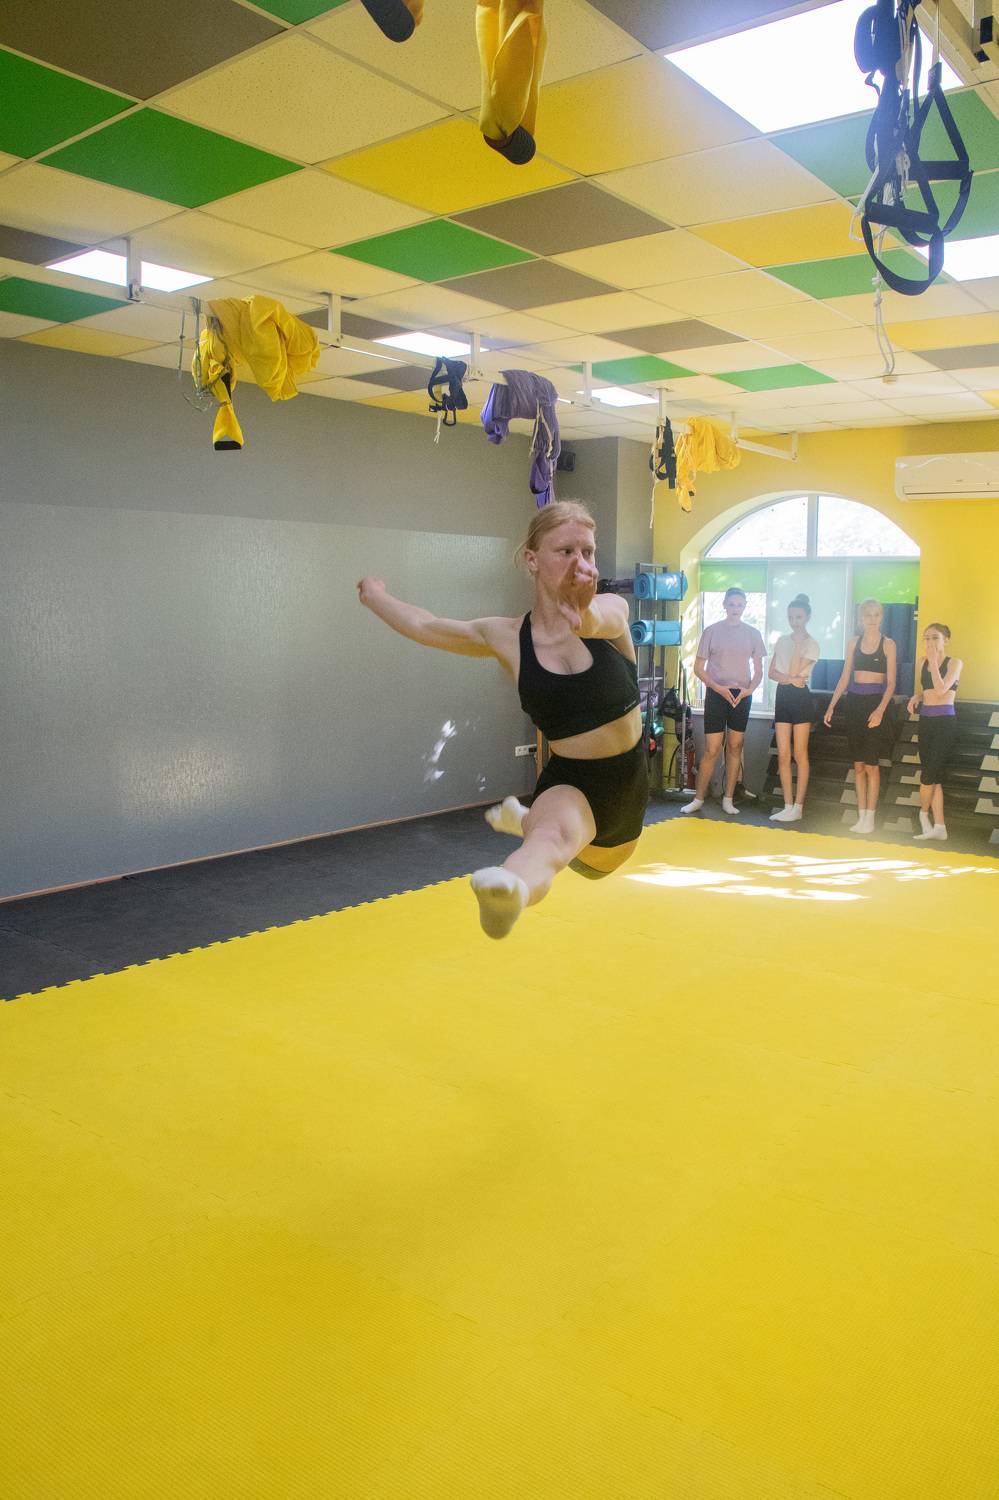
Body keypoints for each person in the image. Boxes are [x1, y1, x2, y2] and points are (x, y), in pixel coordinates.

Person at [356, 500, 647, 940]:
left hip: (628, 795)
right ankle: (508, 892)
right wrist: (376, 597)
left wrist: (582, 610)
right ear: (532, 559)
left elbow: (595, 620)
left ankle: (520, 818)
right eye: (565, 551)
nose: (579, 562)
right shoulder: (507, 637)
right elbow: (428, 626)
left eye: (587, 551)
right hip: (573, 786)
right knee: (549, 841)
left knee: (554, 834)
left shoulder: (611, 611)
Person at [683, 587, 765, 816]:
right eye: (731, 604)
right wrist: (717, 687)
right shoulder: (711, 631)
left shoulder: (753, 633)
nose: (735, 609)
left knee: (735, 746)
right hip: (717, 693)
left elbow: (759, 671)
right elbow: (698, 668)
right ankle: (698, 799)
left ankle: (728, 798)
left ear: (745, 606)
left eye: (739, 605)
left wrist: (749, 690)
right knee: (712, 748)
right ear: (724, 605)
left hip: (741, 695)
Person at [823, 598, 897, 833]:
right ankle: (861, 815)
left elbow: (891, 683)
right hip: (854, 703)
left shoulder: (888, 644)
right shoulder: (853, 642)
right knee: (858, 765)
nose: (872, 619)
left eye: (876, 615)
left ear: (881, 617)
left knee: (872, 765)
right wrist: (832, 705)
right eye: (867, 615)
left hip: (875, 705)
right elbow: (845, 677)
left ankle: (871, 818)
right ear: (860, 619)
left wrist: (880, 710)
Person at [907, 622, 962, 842]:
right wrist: (917, 696)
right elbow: (928, 690)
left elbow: (941, 689)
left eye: (935, 637)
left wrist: (933, 660)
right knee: (934, 775)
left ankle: (923, 816)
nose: (930, 642)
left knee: (928, 775)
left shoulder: (954, 663)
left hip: (944, 723)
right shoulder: (921, 662)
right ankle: (939, 826)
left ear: (946, 640)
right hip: (926, 721)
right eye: (927, 638)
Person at [768, 593, 820, 823]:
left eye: (798, 617)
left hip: (800, 698)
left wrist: (798, 644)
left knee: (800, 753)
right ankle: (787, 805)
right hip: (783, 696)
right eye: (790, 617)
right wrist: (789, 679)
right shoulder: (781, 640)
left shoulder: (812, 644)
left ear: (807, 617)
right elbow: (772, 673)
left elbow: (794, 669)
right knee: (783, 754)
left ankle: (798, 806)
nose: (794, 621)